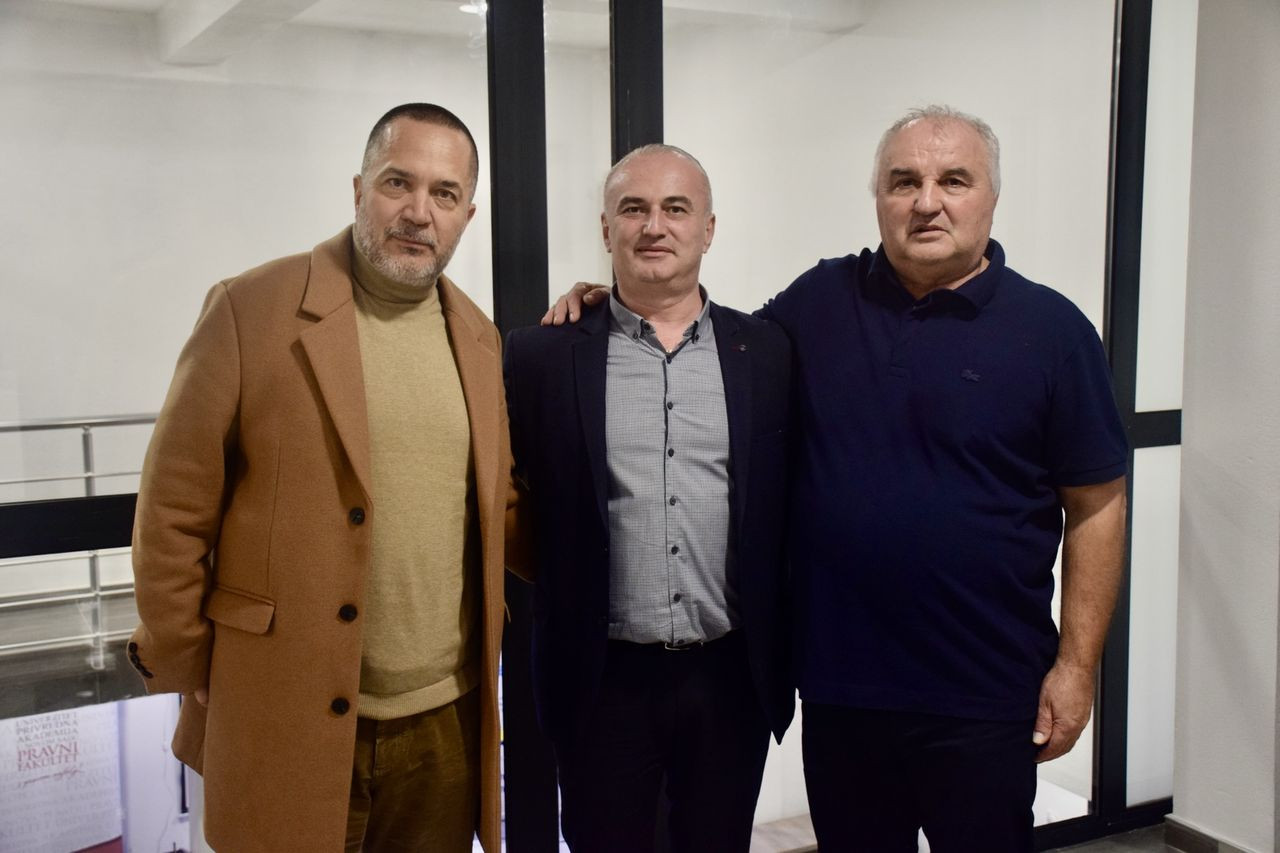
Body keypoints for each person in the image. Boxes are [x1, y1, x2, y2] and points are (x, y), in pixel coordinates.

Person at [546, 106, 1128, 852]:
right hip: (841, 694)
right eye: (904, 181)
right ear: (878, 196)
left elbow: (1098, 505)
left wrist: (1076, 667)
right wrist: (611, 306)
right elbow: (710, 346)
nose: (926, 202)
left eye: (953, 181)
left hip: (986, 694)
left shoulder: (1054, 332)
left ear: (991, 196)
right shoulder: (820, 302)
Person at [127, 103, 526, 853]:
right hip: (285, 706)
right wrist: (187, 657)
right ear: (359, 188)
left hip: (445, 726)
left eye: (443, 194)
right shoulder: (251, 309)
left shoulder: (479, 336)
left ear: (467, 215)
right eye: (397, 183)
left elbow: (498, 503)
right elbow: (174, 506)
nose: (418, 212)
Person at [505, 144, 793, 852]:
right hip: (601, 678)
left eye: (675, 209)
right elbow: (503, 496)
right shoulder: (539, 356)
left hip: (729, 676)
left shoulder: (769, 352)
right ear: (607, 229)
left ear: (708, 228)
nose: (654, 226)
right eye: (633, 209)